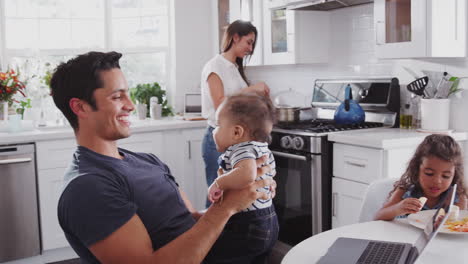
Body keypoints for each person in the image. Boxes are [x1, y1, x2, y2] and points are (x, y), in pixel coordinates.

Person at [51, 51, 276, 264]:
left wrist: (248, 197)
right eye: (117, 97)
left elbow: (194, 220)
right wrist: (225, 208)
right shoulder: (87, 188)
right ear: (80, 107)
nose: (130, 105)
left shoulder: (148, 161)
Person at [201, 20, 270, 207]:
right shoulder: (215, 66)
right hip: (218, 139)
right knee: (218, 196)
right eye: (248, 42)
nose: (250, 48)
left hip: (238, 141)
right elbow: (220, 104)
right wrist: (251, 89)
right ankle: (211, 237)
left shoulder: (235, 68)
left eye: (253, 44)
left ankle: (231, 237)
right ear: (235, 37)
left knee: (237, 198)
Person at [205, 93, 278, 263]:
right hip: (268, 219)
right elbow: (270, 176)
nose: (214, 131)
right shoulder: (260, 148)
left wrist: (219, 183)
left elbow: (247, 175)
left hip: (249, 223)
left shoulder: (242, 149)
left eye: (217, 125)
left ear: (237, 132)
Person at [374, 134, 467, 221]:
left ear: (455, 175)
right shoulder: (405, 191)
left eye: (446, 176)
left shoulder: (458, 196)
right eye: (429, 173)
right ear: (417, 169)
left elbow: (459, 226)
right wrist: (397, 209)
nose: (437, 181)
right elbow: (377, 217)